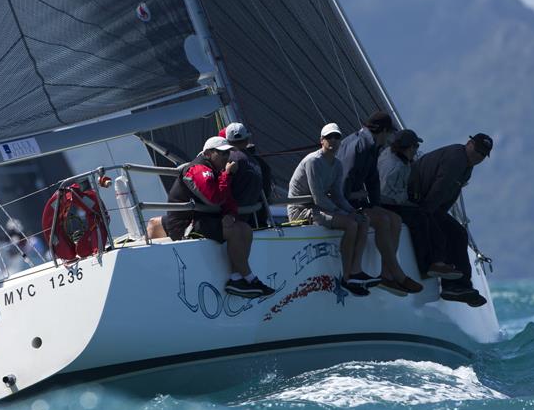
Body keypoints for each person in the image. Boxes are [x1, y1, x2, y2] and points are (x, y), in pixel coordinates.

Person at [146, 136, 275, 299]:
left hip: (202, 219)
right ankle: (249, 278)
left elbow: (228, 199)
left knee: (245, 229)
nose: (226, 157)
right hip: (186, 225)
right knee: (235, 232)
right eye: (221, 154)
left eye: (228, 153)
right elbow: (214, 198)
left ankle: (236, 278)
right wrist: (227, 175)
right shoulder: (199, 169)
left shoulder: (215, 170)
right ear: (208, 153)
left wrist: (230, 214)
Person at [336, 111, 423, 296]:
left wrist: (375, 204)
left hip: (355, 199)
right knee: (383, 220)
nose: (391, 137)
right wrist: (349, 204)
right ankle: (397, 274)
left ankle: (387, 274)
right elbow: (344, 179)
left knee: (395, 219)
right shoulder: (358, 145)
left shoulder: (372, 145)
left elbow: (373, 179)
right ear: (382, 131)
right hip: (343, 202)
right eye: (390, 133)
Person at [287, 123, 375, 297]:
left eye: (337, 137)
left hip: (321, 207)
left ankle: (356, 271)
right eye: (329, 137)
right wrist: (343, 213)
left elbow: (337, 194)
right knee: (350, 224)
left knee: (363, 221)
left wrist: (352, 210)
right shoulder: (313, 161)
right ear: (321, 141)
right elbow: (319, 197)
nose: (333, 140)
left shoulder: (337, 165)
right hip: (301, 210)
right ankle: (347, 277)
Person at [408, 133, 494, 307]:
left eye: (483, 155)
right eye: (477, 151)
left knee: (459, 233)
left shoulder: (467, 166)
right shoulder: (456, 159)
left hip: (430, 206)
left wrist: (438, 214)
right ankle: (452, 282)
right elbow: (438, 189)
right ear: (469, 143)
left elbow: (450, 195)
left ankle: (457, 286)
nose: (478, 156)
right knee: (451, 233)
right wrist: (429, 215)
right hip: (419, 204)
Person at [378, 129, 463, 281]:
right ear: (408, 148)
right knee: (422, 219)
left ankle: (437, 262)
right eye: (415, 146)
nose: (416, 150)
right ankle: (426, 266)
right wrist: (408, 203)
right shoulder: (395, 166)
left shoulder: (392, 156)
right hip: (388, 205)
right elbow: (385, 192)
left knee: (425, 215)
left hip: (393, 202)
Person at [220, 122, 272, 227]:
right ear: (247, 140)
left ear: (226, 141)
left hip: (233, 221)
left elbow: (219, 190)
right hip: (257, 219)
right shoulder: (258, 162)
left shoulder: (226, 159)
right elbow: (266, 191)